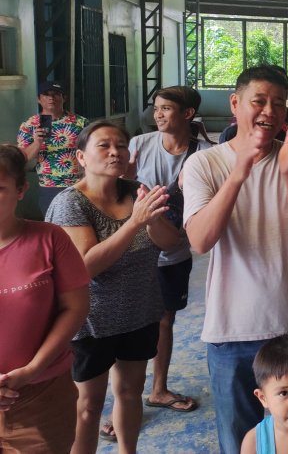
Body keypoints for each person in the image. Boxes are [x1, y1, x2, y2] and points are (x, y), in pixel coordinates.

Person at [183, 65, 288, 454]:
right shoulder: (205, 164)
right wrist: (239, 172)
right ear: (236, 104)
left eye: (278, 104)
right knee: (239, 443)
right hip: (233, 333)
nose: (269, 111)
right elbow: (200, 240)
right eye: (259, 101)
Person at [46, 121, 180, 454]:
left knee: (131, 393)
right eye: (103, 145)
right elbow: (86, 265)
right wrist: (135, 222)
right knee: (89, 406)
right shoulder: (71, 203)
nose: (115, 151)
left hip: (140, 313)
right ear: (81, 156)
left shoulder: (138, 190)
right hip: (91, 322)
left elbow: (170, 243)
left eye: (120, 145)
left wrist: (152, 220)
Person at [95, 87, 207, 441]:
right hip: (132, 248)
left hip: (173, 252)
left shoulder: (203, 154)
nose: (158, 115)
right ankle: (120, 403)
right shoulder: (140, 144)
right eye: (156, 108)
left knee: (164, 321)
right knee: (123, 324)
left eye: (167, 109)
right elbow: (113, 188)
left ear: (187, 114)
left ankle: (158, 389)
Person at [0, 144, 89, 453]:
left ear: (21, 189)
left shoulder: (49, 239)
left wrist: (34, 368)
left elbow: (74, 308)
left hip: (41, 396)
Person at [17, 81, 88, 214]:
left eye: (56, 94)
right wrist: (37, 142)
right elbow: (23, 158)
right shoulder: (29, 125)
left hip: (80, 184)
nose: (51, 98)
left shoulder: (80, 122)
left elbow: (92, 152)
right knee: (54, 227)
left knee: (82, 225)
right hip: (50, 186)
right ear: (39, 99)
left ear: (64, 98)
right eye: (46, 94)